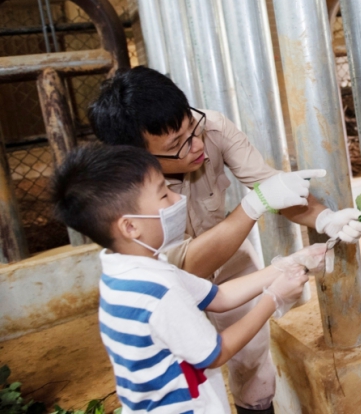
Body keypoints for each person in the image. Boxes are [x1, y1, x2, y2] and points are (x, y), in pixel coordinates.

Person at [88, 67, 361, 413]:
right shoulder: (128, 199)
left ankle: (255, 406)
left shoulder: (209, 126)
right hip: (174, 262)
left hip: (227, 249)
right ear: (141, 158)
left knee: (254, 356)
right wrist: (256, 208)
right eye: (177, 145)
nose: (196, 145)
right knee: (195, 360)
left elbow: (269, 187)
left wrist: (324, 219)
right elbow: (188, 275)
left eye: (189, 127)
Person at [51, 144, 330, 414]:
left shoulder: (127, 270)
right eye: (164, 196)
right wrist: (273, 299)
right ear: (130, 226)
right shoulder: (159, 293)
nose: (177, 200)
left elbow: (219, 297)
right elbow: (216, 353)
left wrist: (294, 261)